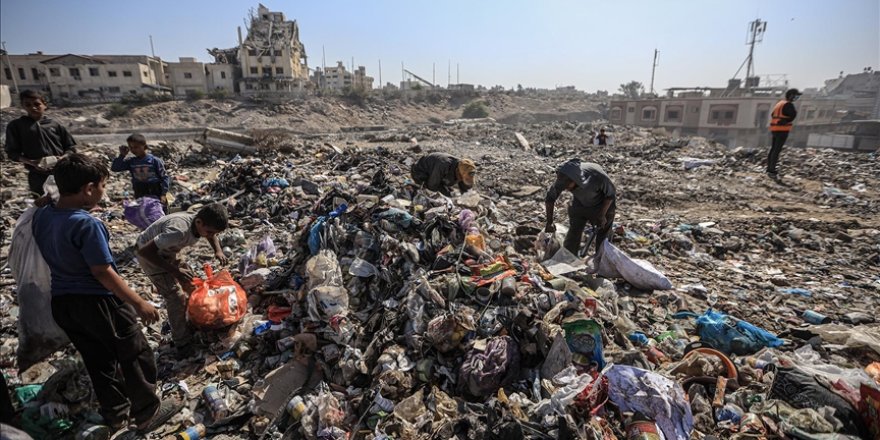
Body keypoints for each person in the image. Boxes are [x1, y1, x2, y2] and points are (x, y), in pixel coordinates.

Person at [31, 154, 180, 433]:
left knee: (98, 360)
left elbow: (46, 206)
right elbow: (102, 272)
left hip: (63, 303)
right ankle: (147, 413)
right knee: (135, 352)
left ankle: (116, 415)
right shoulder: (87, 224)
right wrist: (138, 302)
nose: (104, 191)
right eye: (102, 185)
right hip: (98, 302)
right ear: (88, 188)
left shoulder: (44, 215)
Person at [135, 204, 229, 356]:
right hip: (151, 257)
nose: (210, 235)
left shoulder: (199, 224)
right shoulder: (178, 231)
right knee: (175, 297)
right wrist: (175, 271)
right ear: (199, 222)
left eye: (213, 232)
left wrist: (218, 250)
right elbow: (145, 251)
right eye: (209, 232)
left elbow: (212, 234)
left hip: (169, 251)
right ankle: (182, 342)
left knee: (194, 285)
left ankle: (196, 322)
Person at [4, 90, 77, 196]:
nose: (33, 108)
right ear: (23, 106)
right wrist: (32, 162)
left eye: (37, 104)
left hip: (62, 173)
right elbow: (12, 152)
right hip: (37, 176)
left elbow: (71, 147)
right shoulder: (17, 126)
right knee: (43, 205)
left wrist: (62, 158)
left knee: (67, 202)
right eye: (28, 105)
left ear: (44, 105)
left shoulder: (55, 124)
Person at [544, 158, 617, 256]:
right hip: (580, 201)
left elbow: (610, 195)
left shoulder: (596, 176)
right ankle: (568, 258)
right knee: (575, 228)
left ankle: (602, 259)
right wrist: (549, 222)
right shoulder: (563, 180)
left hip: (603, 202)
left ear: (576, 179)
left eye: (567, 185)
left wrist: (602, 215)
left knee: (603, 231)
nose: (565, 188)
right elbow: (550, 199)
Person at [111, 133, 170, 202]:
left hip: (155, 192)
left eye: (136, 147)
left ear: (145, 147)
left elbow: (164, 177)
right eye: (131, 147)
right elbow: (115, 168)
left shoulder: (154, 161)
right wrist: (122, 155)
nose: (133, 150)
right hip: (140, 192)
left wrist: (163, 194)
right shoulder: (131, 161)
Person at [767, 88, 801, 179]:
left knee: (773, 149)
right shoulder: (789, 105)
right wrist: (785, 120)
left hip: (774, 129)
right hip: (782, 130)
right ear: (791, 96)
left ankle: (769, 168)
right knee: (777, 150)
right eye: (796, 96)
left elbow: (772, 115)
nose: (796, 98)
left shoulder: (779, 103)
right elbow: (792, 116)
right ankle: (772, 170)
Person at [410, 152, 476, 196]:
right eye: (462, 177)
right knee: (439, 191)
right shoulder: (443, 165)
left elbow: (465, 183)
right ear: (458, 171)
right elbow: (432, 185)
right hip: (419, 172)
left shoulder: (462, 166)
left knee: (452, 188)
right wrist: (448, 195)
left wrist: (466, 195)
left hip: (434, 171)